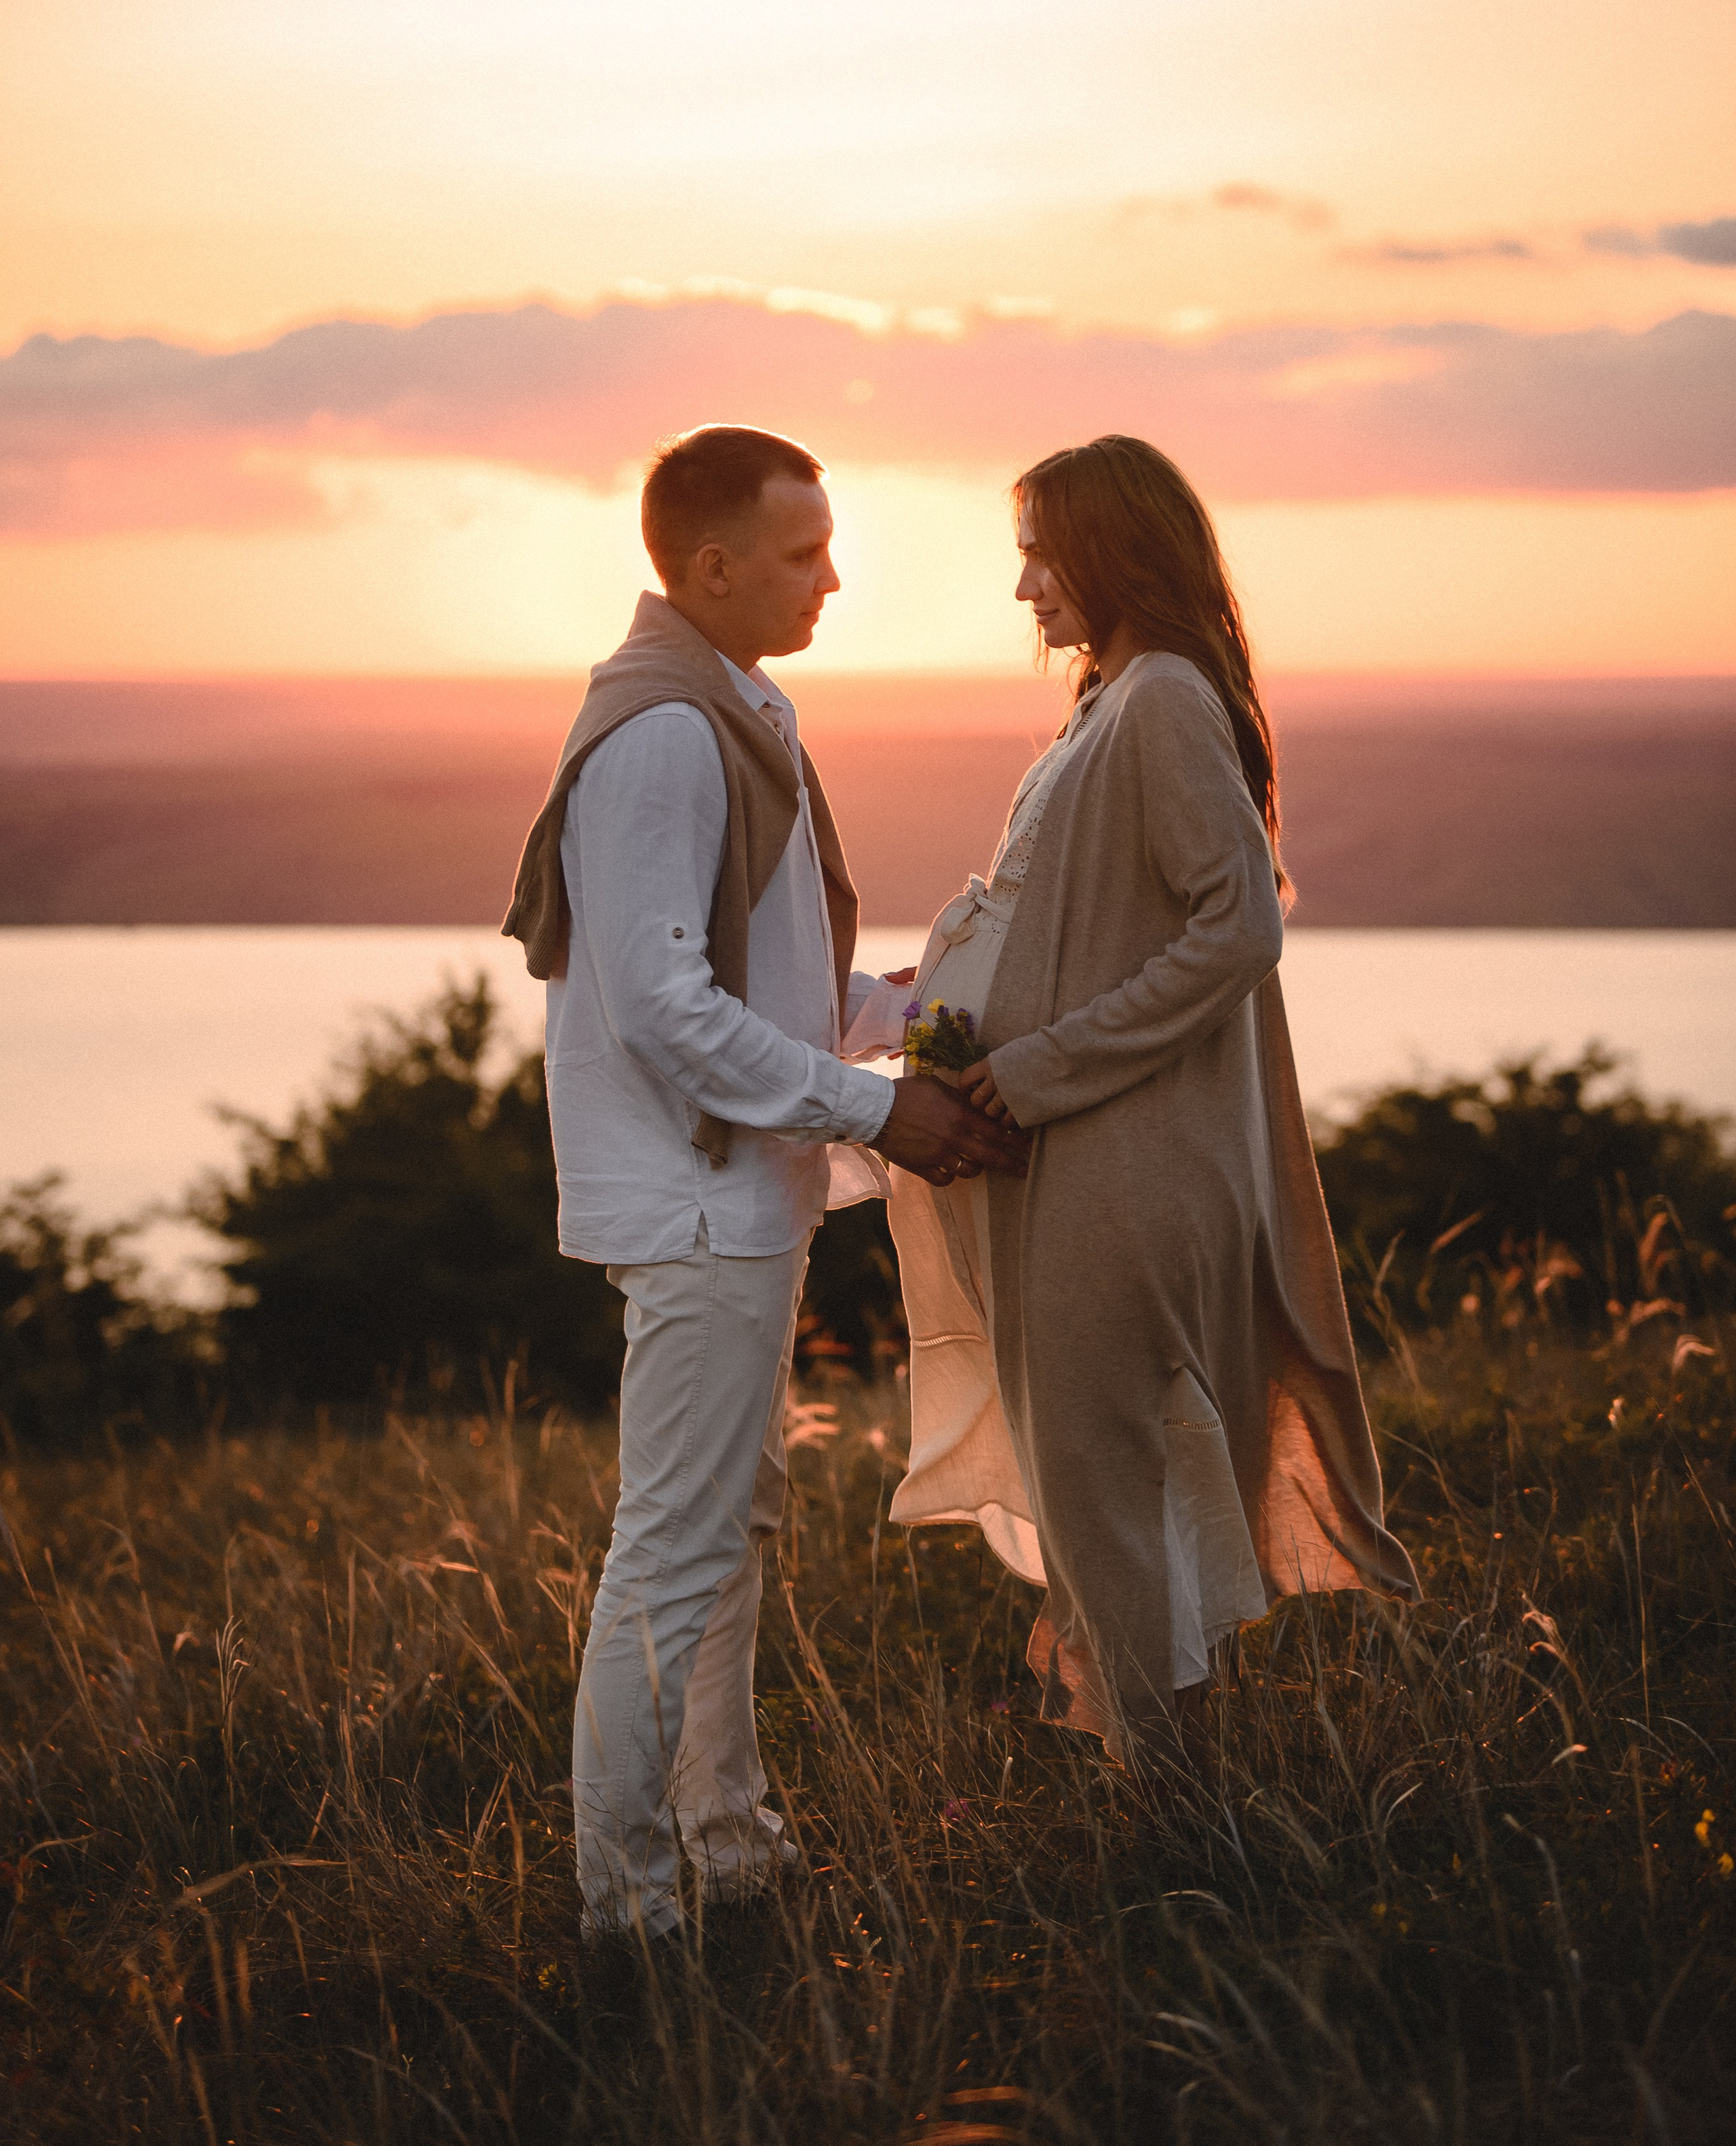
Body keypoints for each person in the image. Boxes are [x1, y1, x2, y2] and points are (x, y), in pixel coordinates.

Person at [502, 425, 1027, 1940]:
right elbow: (660, 1011)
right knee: (672, 1547)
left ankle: (723, 1841)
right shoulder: (666, 731)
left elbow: (767, 978)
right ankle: (631, 1912)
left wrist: (918, 1022)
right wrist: (878, 1105)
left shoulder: (736, 705)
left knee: (725, 1533)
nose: (832, 575)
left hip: (736, 1186)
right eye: (801, 552)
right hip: (695, 1199)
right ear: (710, 565)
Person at [884, 435, 1418, 1769]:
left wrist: (1034, 1063)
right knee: (1098, 1481)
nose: (1022, 592)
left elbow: (1235, 928)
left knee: (1099, 1480)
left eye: (1038, 555)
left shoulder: (1163, 698)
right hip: (1058, 1154)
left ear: (1114, 547)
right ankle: (1157, 1769)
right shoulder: (1110, 700)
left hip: (1109, 1163)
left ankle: (1163, 1799)